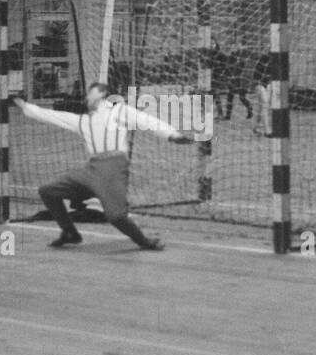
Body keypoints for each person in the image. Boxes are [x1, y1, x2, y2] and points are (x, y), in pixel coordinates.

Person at [13, 83, 194, 250]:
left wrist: (172, 135)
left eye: (89, 94)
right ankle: (70, 233)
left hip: (113, 170)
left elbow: (147, 121)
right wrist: (26, 107)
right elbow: (53, 116)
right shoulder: (83, 121)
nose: (86, 98)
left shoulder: (120, 111)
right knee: (48, 191)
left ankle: (144, 241)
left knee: (116, 216)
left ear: (101, 93)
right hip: (91, 170)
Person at [251, 51, 273, 135]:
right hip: (259, 84)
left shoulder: (278, 60)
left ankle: (256, 127)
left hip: (268, 84)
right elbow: (255, 76)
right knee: (265, 104)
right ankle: (267, 131)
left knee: (262, 107)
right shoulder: (264, 58)